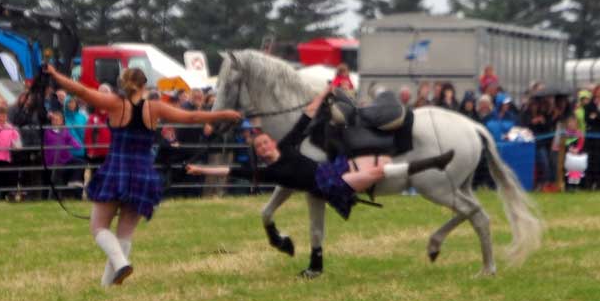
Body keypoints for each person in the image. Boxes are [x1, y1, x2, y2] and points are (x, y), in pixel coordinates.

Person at [45, 64, 242, 287]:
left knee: (98, 227)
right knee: (125, 232)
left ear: (123, 84)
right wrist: (223, 114)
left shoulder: (115, 103)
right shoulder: (154, 108)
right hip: (142, 172)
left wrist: (54, 74)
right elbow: (192, 116)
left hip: (117, 170)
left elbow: (81, 91)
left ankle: (120, 264)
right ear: (144, 85)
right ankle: (108, 285)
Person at [187, 82, 453, 218]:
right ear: (260, 153)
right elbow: (229, 170)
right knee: (378, 171)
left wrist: (325, 91)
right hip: (329, 187)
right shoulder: (271, 172)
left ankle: (434, 162)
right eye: (261, 146)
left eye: (266, 141)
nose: (266, 145)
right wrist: (199, 169)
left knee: (379, 166)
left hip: (333, 171)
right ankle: (432, 162)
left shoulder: (288, 145)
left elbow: (306, 115)